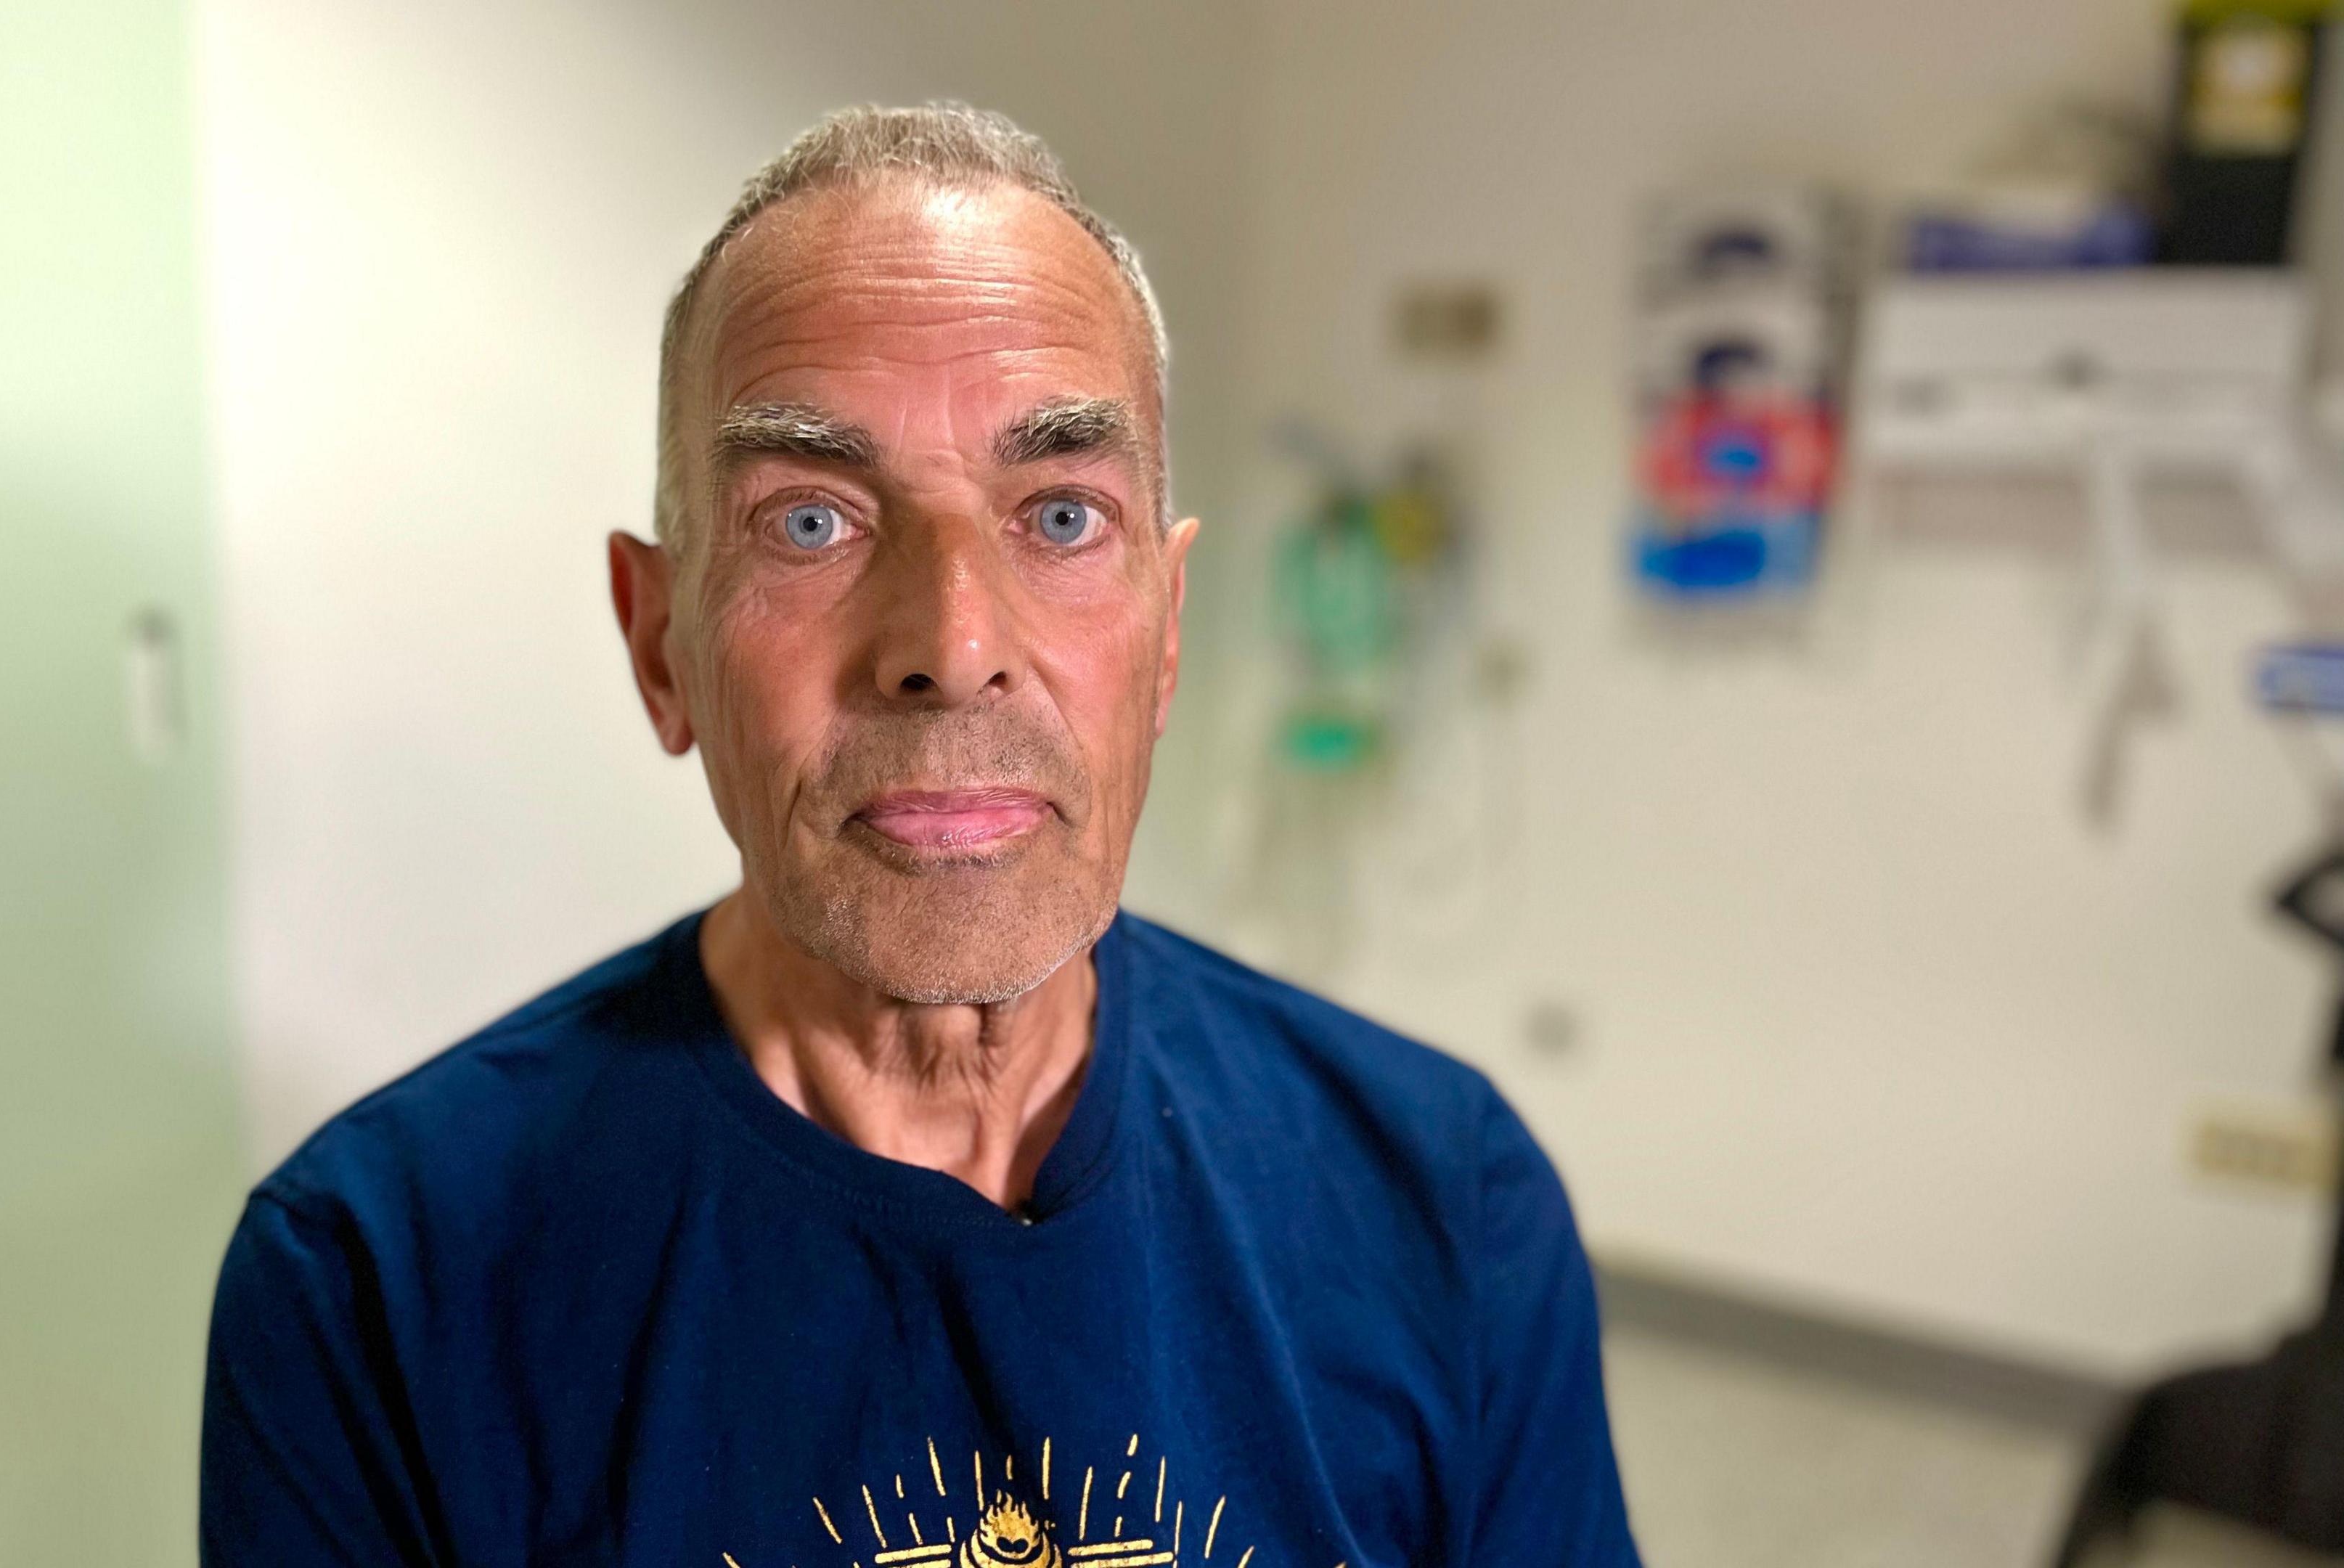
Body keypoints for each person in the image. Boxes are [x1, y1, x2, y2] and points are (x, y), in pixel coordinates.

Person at [200, 102, 1639, 1567]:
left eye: (1063, 515)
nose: (953, 645)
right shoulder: (375, 1282)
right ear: (661, 645)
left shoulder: (1443, 1199)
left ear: (1165, 638)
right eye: (810, 522)